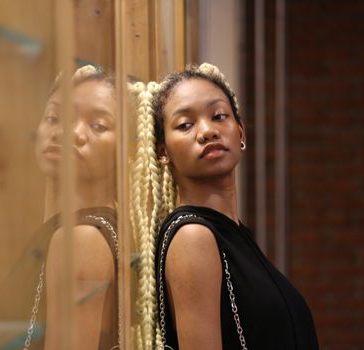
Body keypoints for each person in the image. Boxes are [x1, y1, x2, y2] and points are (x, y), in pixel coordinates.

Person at [133, 63, 319, 349]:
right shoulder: (193, 237)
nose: (207, 131)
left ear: (241, 132)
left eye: (219, 116)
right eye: (185, 124)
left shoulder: (234, 234)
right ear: (163, 152)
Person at [0, 65, 119, 350]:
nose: (68, 132)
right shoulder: (61, 232)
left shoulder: (83, 238)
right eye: (55, 117)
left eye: (98, 125)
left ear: (128, 149)